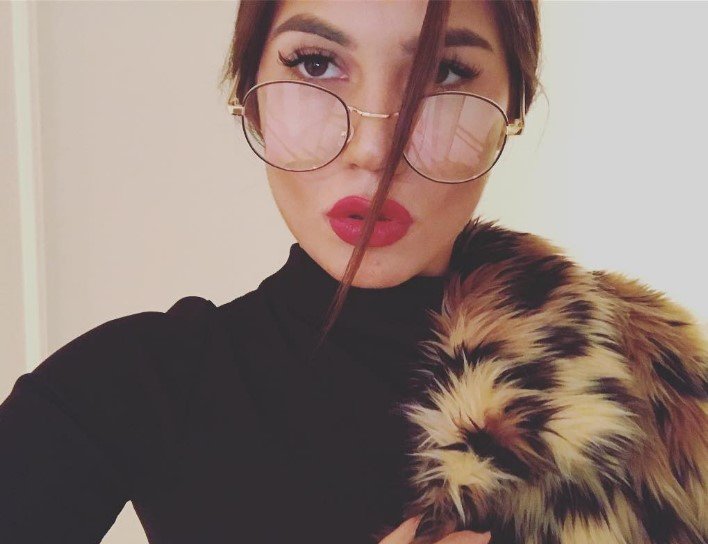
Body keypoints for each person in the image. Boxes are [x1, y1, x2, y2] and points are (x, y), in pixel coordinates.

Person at [2, 1, 704, 544]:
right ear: (250, 94)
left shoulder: (651, 378)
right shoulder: (129, 387)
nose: (375, 146)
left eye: (444, 73)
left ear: (511, 111)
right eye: (315, 64)